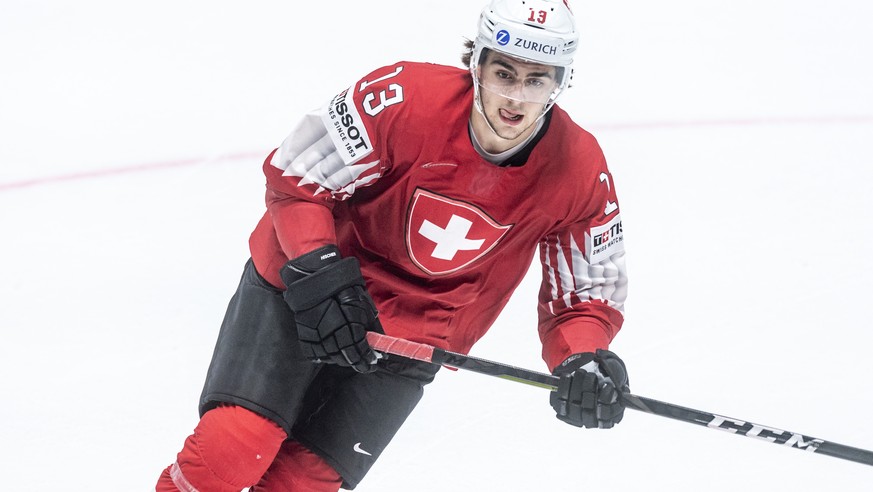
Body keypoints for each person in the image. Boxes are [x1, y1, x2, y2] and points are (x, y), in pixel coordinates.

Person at [157, 0, 629, 490]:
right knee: (231, 449)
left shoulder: (578, 170)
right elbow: (298, 176)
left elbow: (584, 294)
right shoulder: (402, 98)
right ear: (477, 61)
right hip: (306, 292)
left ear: (561, 81)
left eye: (537, 80)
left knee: (300, 483)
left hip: (414, 337)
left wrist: (583, 356)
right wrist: (318, 275)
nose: (516, 98)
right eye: (503, 73)